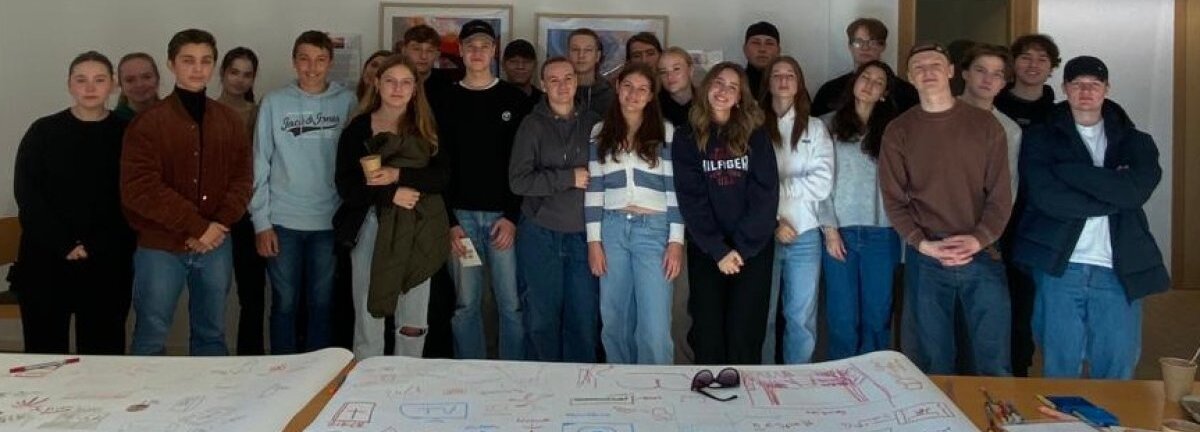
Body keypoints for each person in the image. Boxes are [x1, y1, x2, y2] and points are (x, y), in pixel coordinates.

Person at [1014, 56, 1170, 379]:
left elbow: (1134, 193)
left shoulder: (1135, 141)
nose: (1086, 91)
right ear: (1065, 88)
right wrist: (1113, 190)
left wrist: (1070, 173)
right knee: (1059, 364)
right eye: (1077, 84)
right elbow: (1047, 198)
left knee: (1117, 365)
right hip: (1060, 267)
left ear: (1106, 89)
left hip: (1117, 266)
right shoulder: (1041, 138)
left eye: (1094, 84)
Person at [878, 43, 1012, 376]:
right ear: (910, 77)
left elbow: (1000, 196)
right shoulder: (899, 130)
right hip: (927, 255)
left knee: (992, 359)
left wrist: (978, 239)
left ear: (951, 71)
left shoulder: (985, 125)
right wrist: (922, 243)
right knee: (931, 360)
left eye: (935, 65)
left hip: (982, 252)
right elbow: (893, 199)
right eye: (919, 67)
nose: (928, 71)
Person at [121, 29, 253, 356]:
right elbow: (140, 189)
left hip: (216, 243)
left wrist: (218, 225)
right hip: (160, 245)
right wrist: (198, 227)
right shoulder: (148, 122)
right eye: (188, 60)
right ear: (171, 64)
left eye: (205, 61)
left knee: (212, 333)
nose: (197, 68)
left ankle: (210, 391)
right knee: (151, 333)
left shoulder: (228, 120)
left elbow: (242, 179)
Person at [12, 51, 134, 355]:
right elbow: (28, 195)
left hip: (107, 261)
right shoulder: (43, 132)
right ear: (69, 84)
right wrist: (64, 243)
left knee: (102, 355)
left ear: (113, 85)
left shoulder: (128, 135)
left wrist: (95, 244)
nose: (90, 87)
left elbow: (133, 198)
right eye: (81, 80)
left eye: (99, 80)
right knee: (44, 354)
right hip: (46, 260)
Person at [334, 55, 449, 359]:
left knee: (413, 316)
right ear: (377, 83)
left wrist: (399, 175)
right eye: (390, 81)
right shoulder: (358, 130)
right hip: (371, 226)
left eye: (405, 82)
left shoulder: (427, 128)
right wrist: (390, 195)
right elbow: (347, 186)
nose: (398, 89)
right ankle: (368, 378)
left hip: (419, 228)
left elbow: (442, 177)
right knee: (368, 310)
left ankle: (407, 377)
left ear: (415, 88)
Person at [251, 31, 356, 354]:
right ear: (294, 61)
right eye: (304, 59)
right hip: (283, 222)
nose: (312, 67)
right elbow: (259, 162)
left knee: (322, 304)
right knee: (284, 303)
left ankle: (319, 373)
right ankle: (283, 371)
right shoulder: (274, 102)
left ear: (330, 63)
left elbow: (354, 163)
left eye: (320, 60)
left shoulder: (347, 102)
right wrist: (261, 222)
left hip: (329, 222)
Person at [673, 62, 779, 365]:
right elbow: (691, 197)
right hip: (708, 249)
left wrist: (741, 249)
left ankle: (745, 392)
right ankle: (711, 392)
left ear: (740, 97)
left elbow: (765, 193)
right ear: (707, 86)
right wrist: (719, 250)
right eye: (719, 83)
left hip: (752, 249)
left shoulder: (756, 134)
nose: (724, 91)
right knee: (708, 330)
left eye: (733, 87)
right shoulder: (686, 136)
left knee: (746, 330)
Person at [438, 20, 532, 360]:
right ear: (461, 51)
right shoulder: (445, 100)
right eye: (470, 46)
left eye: (484, 46)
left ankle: (513, 372)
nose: (477, 52)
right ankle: (470, 372)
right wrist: (450, 222)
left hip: (502, 221)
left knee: (511, 303)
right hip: (461, 220)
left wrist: (512, 217)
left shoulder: (515, 100)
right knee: (466, 303)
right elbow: (438, 166)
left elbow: (524, 164)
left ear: (494, 51)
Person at [585, 62, 683, 365]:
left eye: (642, 89)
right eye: (628, 86)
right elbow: (594, 189)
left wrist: (676, 241)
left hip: (654, 229)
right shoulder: (600, 131)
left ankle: (656, 387)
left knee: (654, 326)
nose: (633, 94)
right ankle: (620, 386)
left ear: (651, 95)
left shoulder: (665, 131)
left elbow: (675, 189)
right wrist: (593, 242)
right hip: (612, 228)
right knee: (614, 320)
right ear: (618, 87)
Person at [509, 57, 603, 362]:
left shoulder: (594, 123)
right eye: (554, 80)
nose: (562, 86)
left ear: (577, 81)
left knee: (583, 319)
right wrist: (567, 178)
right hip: (540, 232)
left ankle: (580, 384)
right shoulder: (532, 125)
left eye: (568, 78)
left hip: (583, 234)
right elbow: (519, 181)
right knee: (541, 318)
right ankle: (541, 384)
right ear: (543, 85)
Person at [818, 60, 901, 360]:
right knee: (842, 317)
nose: (870, 84)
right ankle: (842, 381)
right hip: (840, 233)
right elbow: (819, 182)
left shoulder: (895, 129)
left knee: (877, 316)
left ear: (884, 93)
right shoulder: (826, 125)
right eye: (865, 77)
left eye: (878, 82)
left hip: (883, 233)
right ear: (854, 81)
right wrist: (829, 229)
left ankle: (874, 379)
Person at [958, 43, 1031, 375]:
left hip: (985, 240)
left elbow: (1007, 190)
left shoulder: (1009, 129)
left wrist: (985, 235)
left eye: (998, 74)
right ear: (963, 73)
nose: (988, 79)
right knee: (936, 336)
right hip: (934, 236)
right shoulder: (933, 115)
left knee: (987, 329)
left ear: (1005, 82)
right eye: (981, 70)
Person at [759, 56, 833, 365]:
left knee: (801, 318)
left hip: (805, 234)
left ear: (799, 83)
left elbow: (822, 184)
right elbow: (748, 184)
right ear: (768, 83)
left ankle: (798, 380)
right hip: (763, 234)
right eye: (777, 74)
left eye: (790, 75)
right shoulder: (753, 126)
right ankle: (761, 379)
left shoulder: (815, 128)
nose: (783, 80)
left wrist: (775, 188)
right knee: (763, 316)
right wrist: (775, 219)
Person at [216, 46, 268, 355]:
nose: (239, 80)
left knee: (252, 293)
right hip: (213, 213)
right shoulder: (206, 110)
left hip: (249, 211)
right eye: (234, 72)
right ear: (222, 73)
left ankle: (251, 356)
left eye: (247, 74)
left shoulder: (260, 112)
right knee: (213, 292)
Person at [811, 18, 918, 117]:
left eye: (873, 42)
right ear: (850, 46)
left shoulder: (906, 92)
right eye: (858, 42)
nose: (865, 48)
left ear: (883, 46)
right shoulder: (829, 91)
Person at [995, 34, 1060, 128]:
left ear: (1051, 68)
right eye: (1026, 58)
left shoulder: (1057, 115)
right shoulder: (992, 106)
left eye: (1042, 60)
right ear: (1013, 63)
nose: (1033, 65)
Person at [568, 28, 615, 117]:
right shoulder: (558, 90)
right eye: (575, 49)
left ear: (597, 56)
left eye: (588, 50)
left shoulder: (611, 96)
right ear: (568, 54)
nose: (581, 55)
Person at [113, 52, 161, 120]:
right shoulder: (111, 123)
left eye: (146, 77)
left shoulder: (173, 115)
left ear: (157, 79)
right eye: (130, 80)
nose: (139, 84)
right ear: (121, 85)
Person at [657, 46, 696, 128]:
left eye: (676, 69)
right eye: (663, 72)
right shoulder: (653, 107)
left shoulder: (707, 103)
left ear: (691, 70)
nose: (669, 76)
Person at [742, 21, 780, 100]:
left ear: (778, 51)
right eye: (756, 43)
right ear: (745, 49)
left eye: (769, 44)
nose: (762, 49)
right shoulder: (735, 83)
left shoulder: (788, 84)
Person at [353, 50, 393, 115]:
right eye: (374, 65)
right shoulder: (350, 97)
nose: (376, 71)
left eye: (383, 68)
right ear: (365, 67)